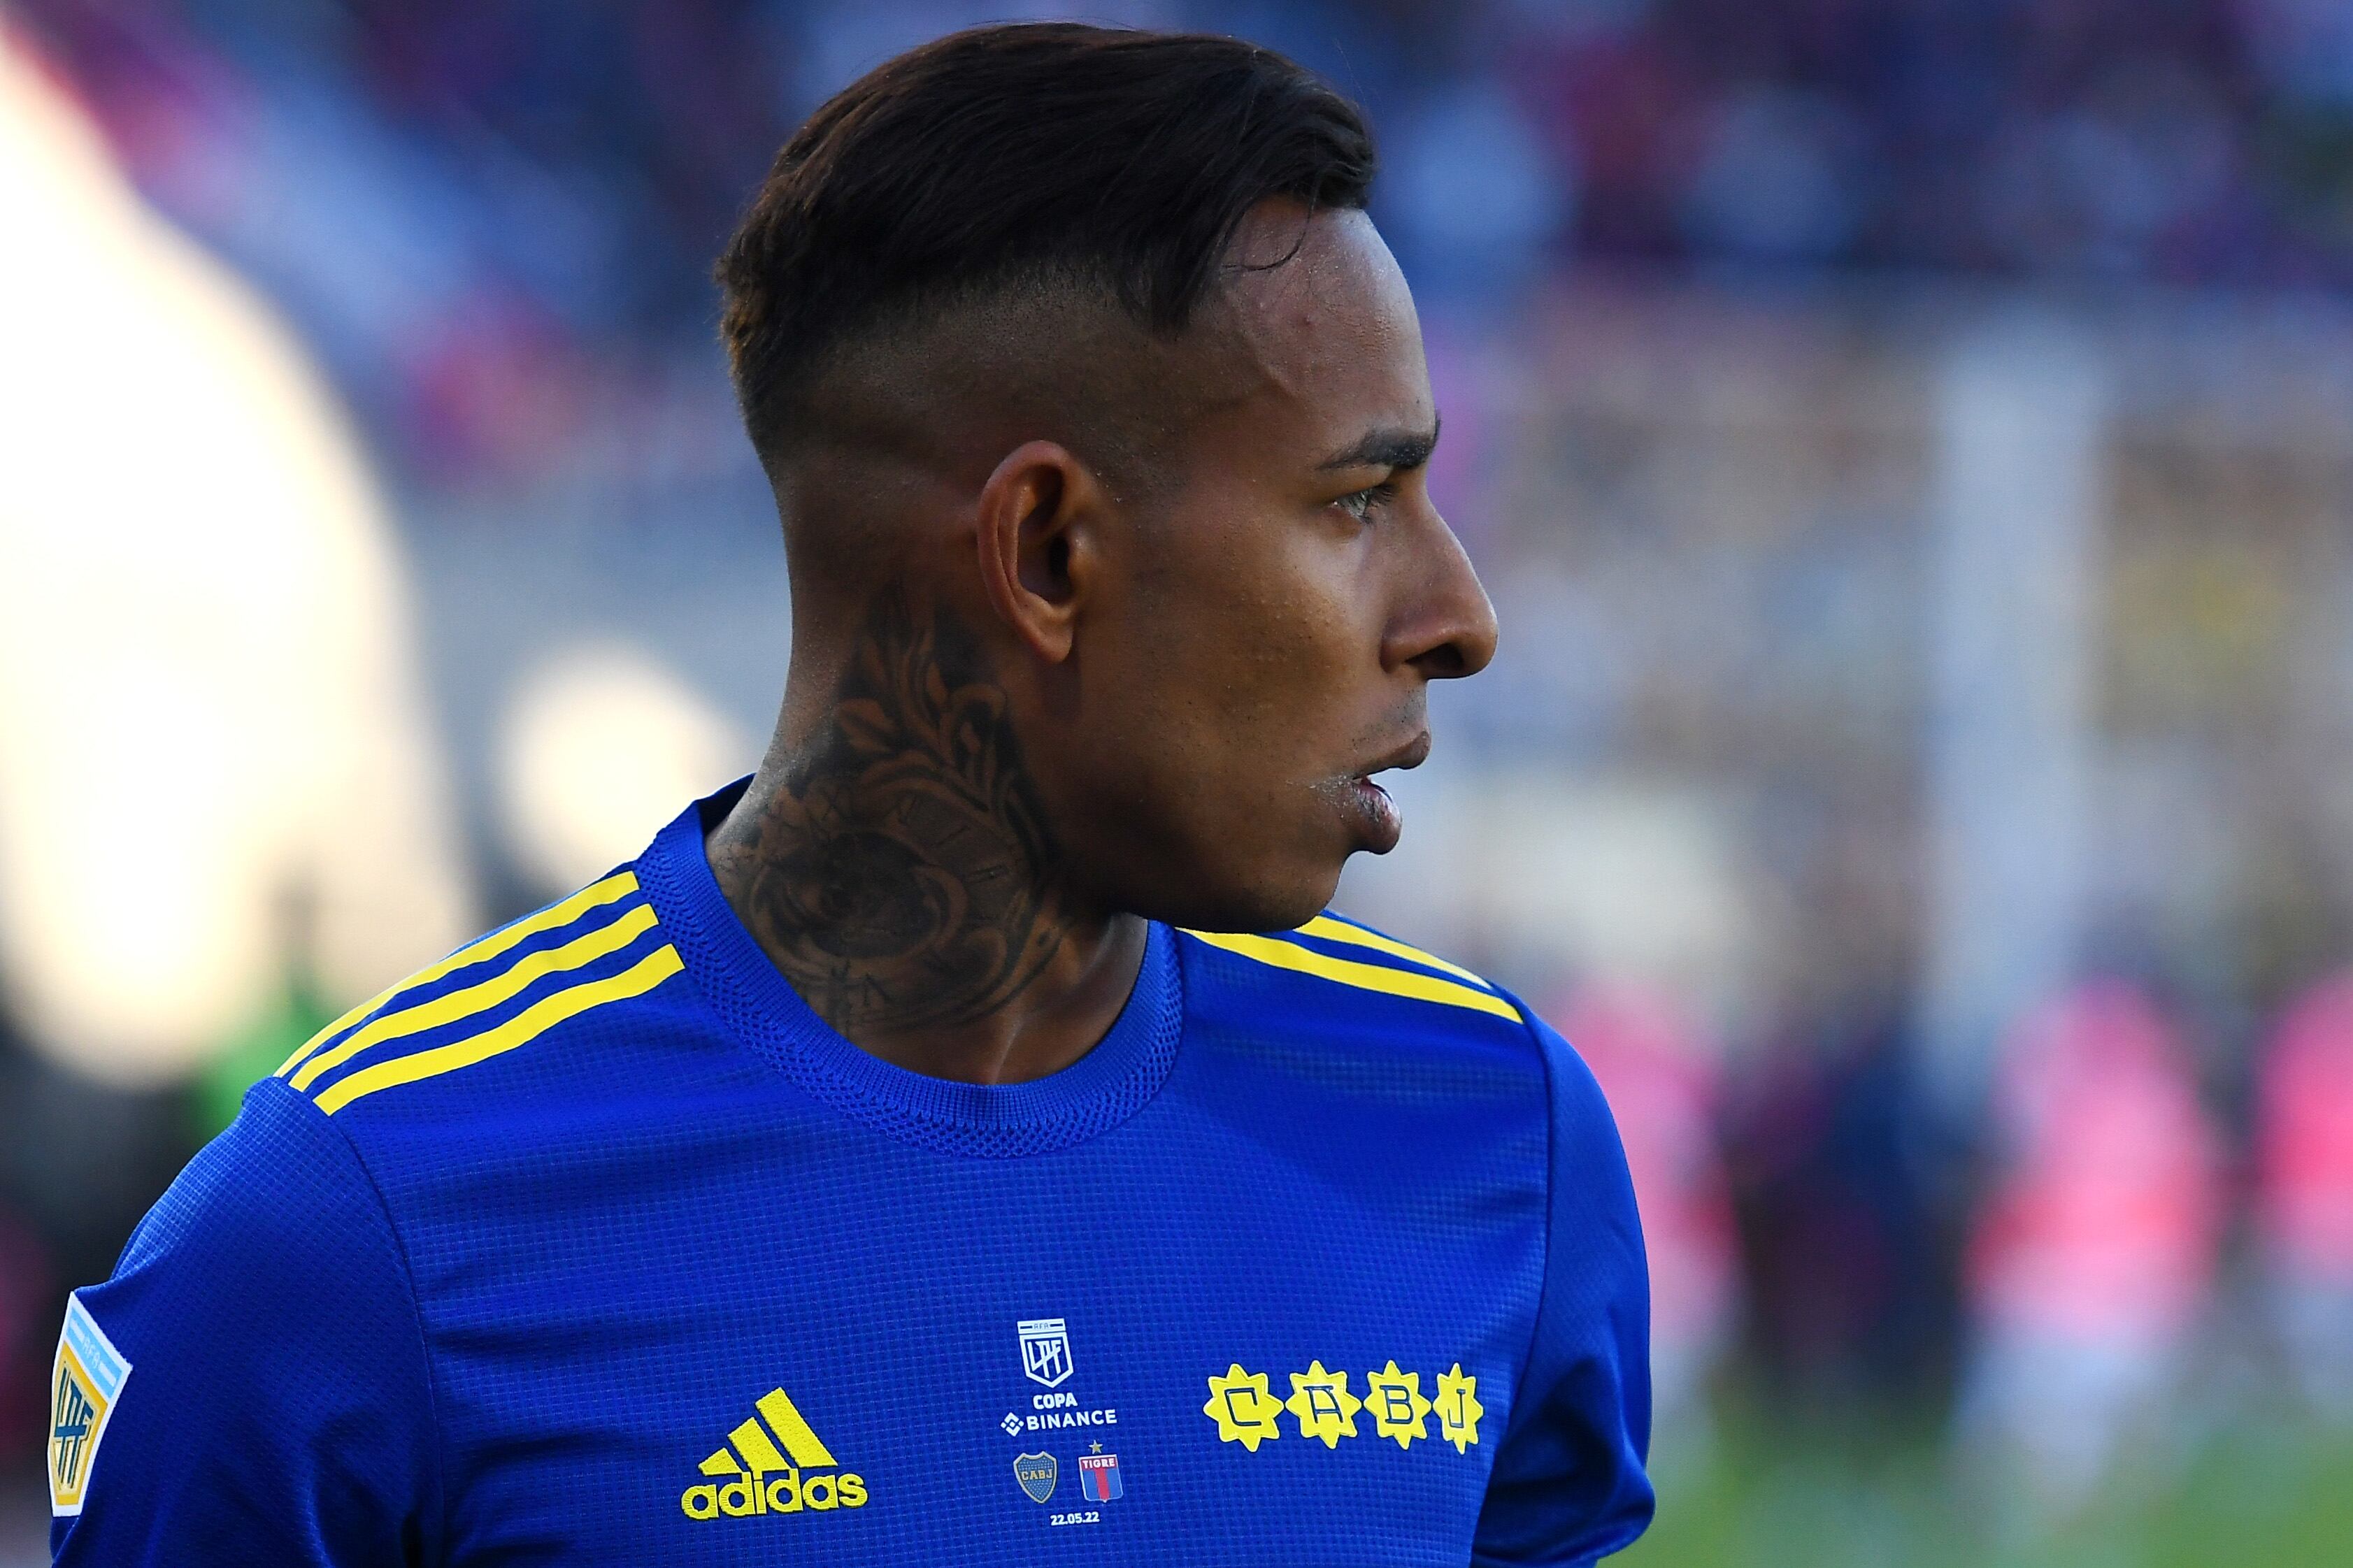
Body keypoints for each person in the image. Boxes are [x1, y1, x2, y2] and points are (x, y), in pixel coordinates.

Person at [48, 24, 1652, 1566]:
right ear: (1045, 552)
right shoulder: (351, 1234)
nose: (1460, 615)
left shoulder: (1492, 1134)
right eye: (1361, 499)